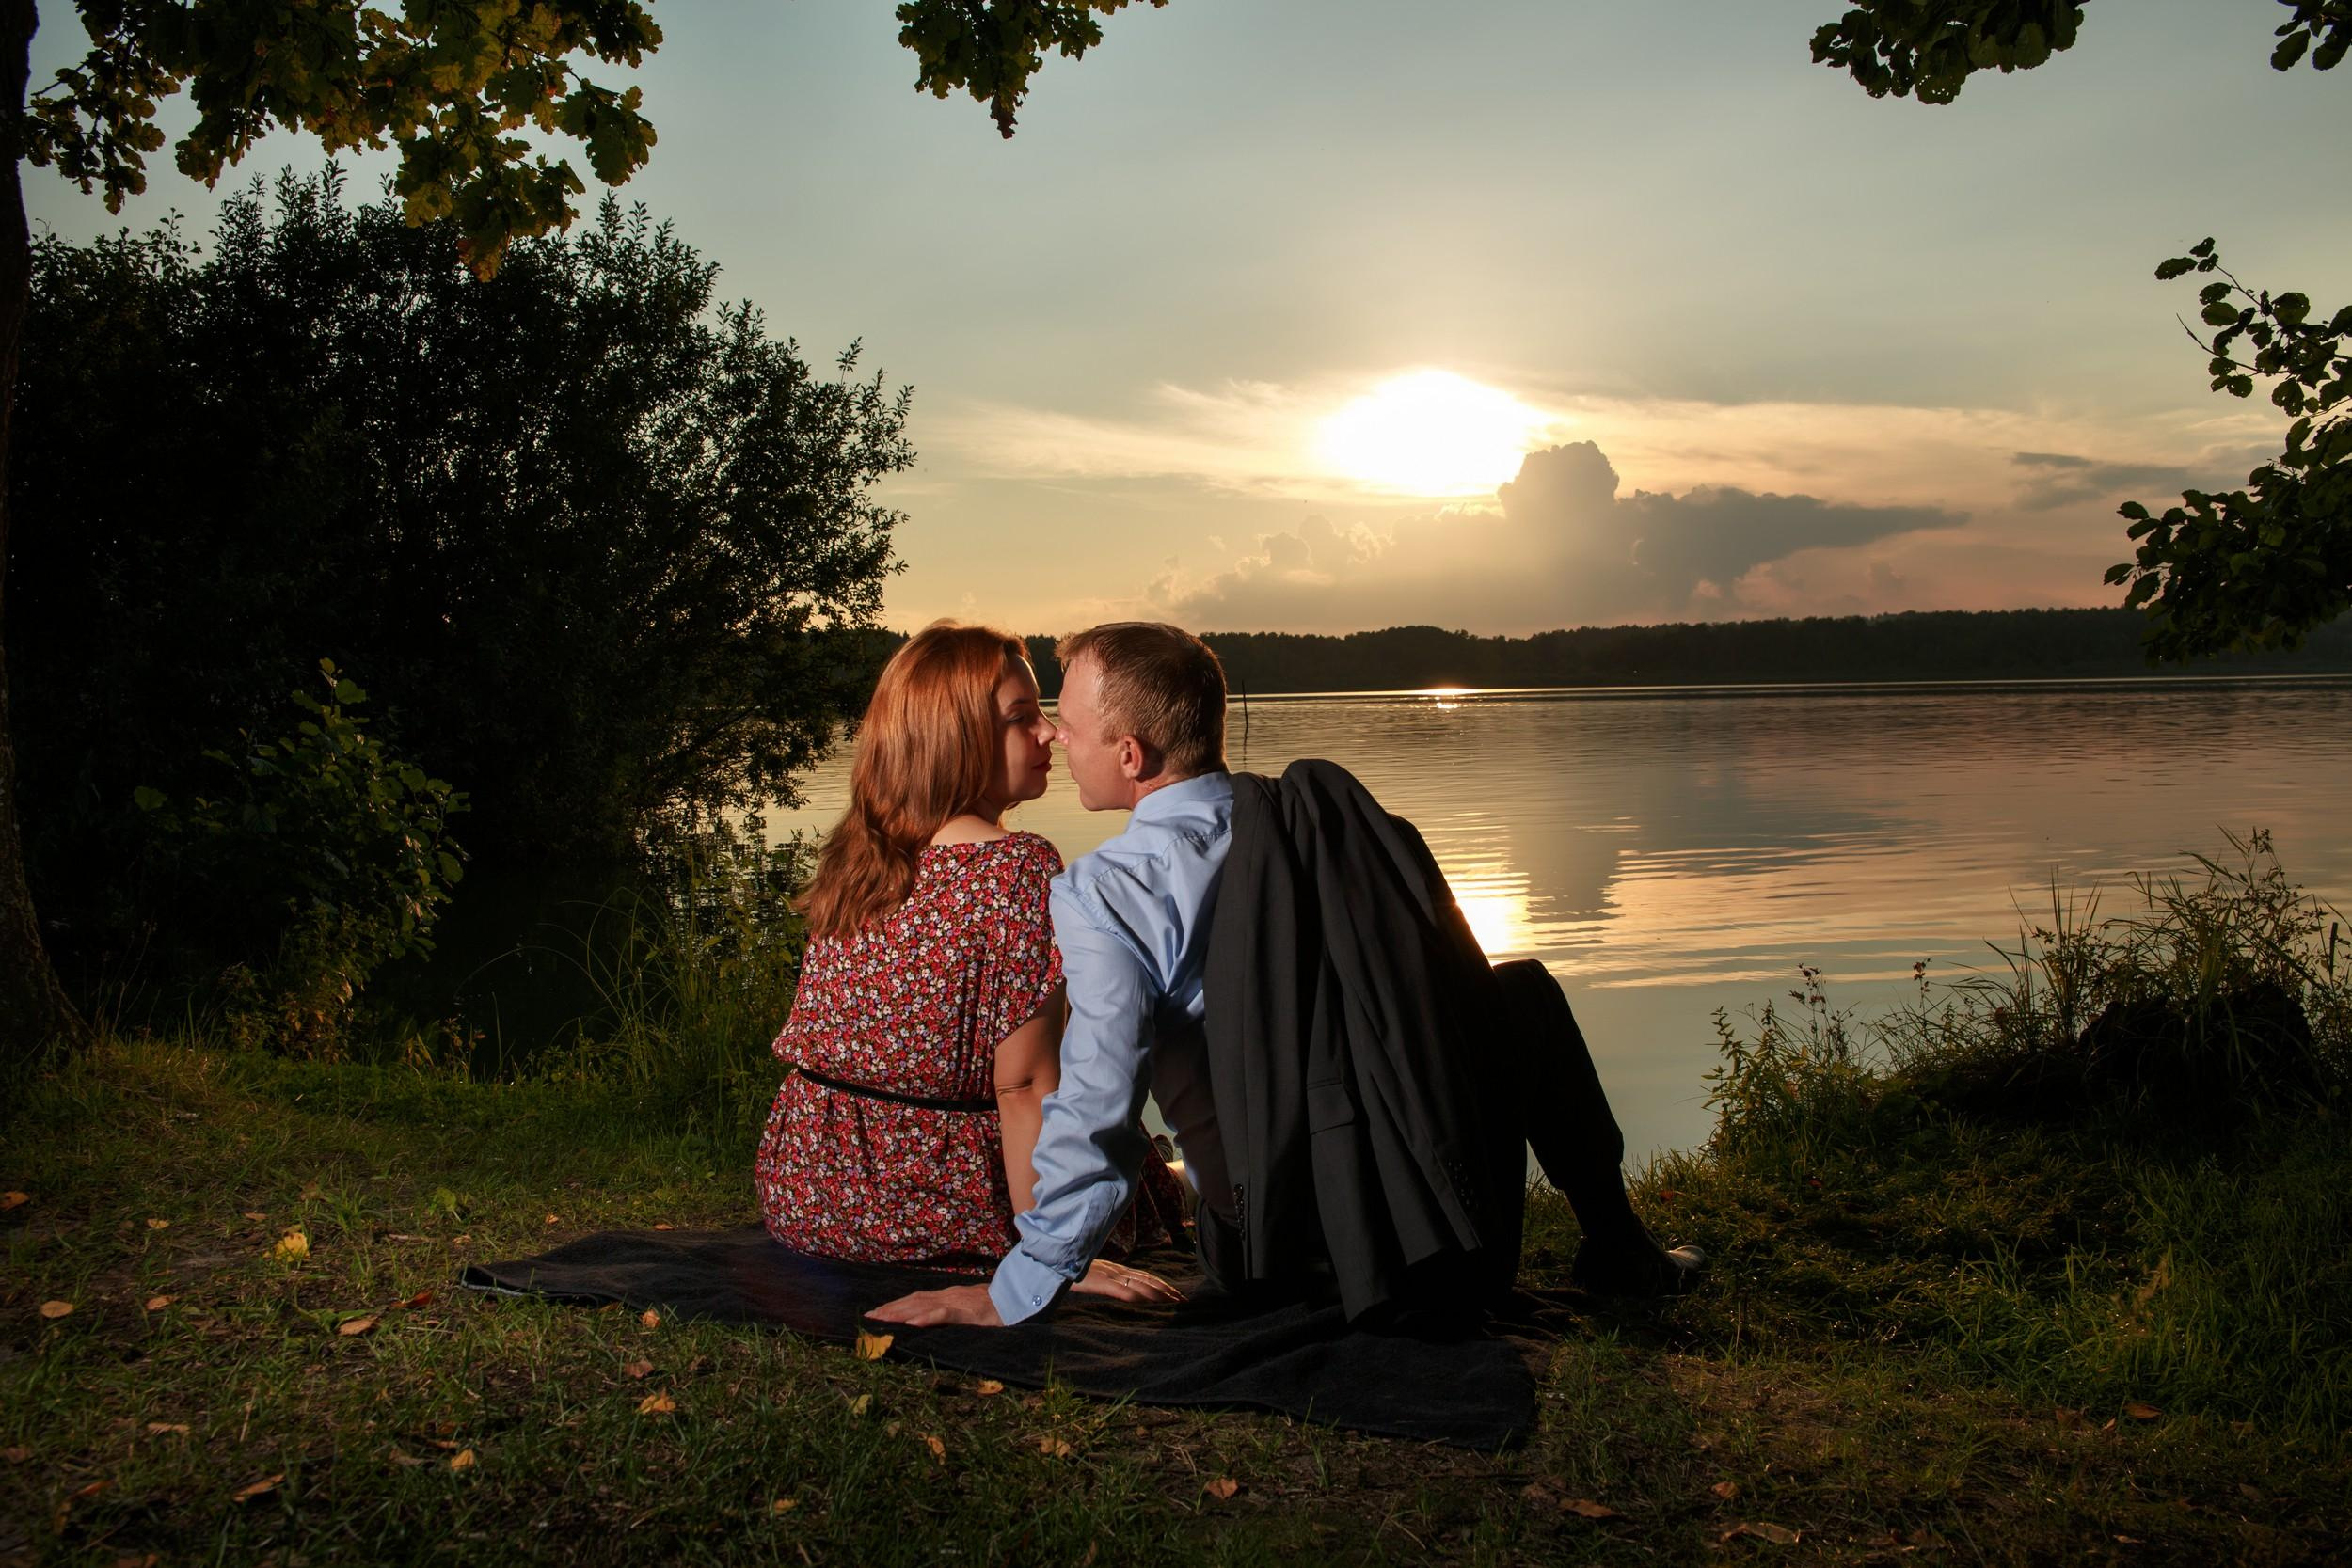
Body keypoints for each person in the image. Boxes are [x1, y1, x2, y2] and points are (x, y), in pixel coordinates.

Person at [869, 621, 1700, 1329]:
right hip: (1442, 1223)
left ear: (1130, 753)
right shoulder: (1324, 828)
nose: (1054, 736)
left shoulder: (1107, 893)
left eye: (1069, 724)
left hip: (1285, 1252)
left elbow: (1097, 1108)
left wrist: (1015, 1289)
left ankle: (1614, 1249)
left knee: (1509, 992)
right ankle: (1619, 1244)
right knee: (1522, 993)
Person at [753, 621, 1185, 1291]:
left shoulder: (859, 853)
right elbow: (1025, 1089)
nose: (1048, 733)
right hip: (931, 1199)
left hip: (806, 1184)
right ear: (956, 740)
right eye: (1020, 718)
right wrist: (1057, 1260)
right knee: (1134, 1171)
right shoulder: (1016, 868)